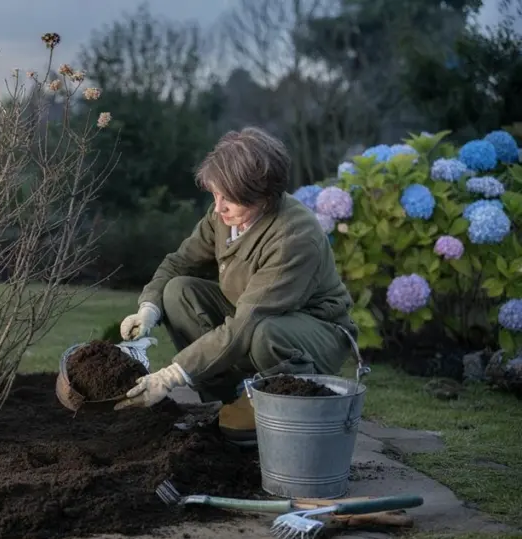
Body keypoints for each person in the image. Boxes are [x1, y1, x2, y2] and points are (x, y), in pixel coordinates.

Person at [113, 127, 358, 446]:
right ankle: (226, 398)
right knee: (177, 291)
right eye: (215, 194)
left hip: (312, 332)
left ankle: (277, 401)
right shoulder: (224, 216)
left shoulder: (293, 238)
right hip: (253, 316)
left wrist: (171, 376)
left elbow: (248, 322)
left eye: (229, 198)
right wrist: (148, 308)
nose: (218, 207)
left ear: (263, 195)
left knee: (265, 333)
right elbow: (180, 262)